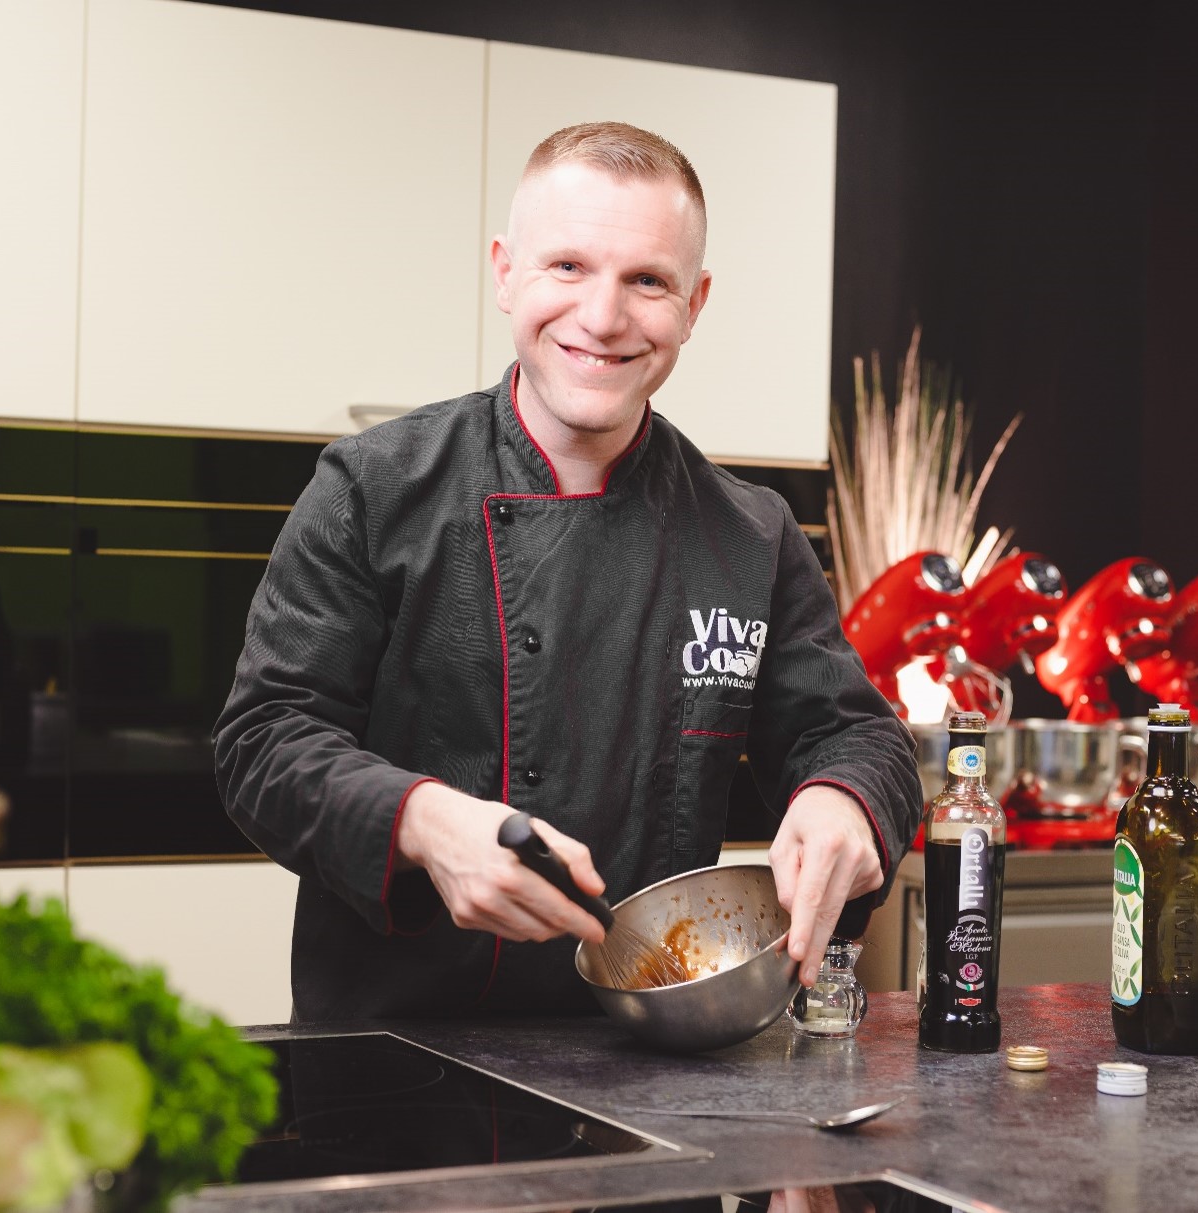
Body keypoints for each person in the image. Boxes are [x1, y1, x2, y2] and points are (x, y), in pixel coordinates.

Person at [215, 121, 921, 1021]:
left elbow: (859, 736)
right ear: (505, 270)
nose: (602, 317)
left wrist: (843, 801)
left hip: (651, 1069)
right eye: (568, 268)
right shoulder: (372, 486)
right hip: (398, 1061)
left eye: (648, 281)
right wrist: (425, 823)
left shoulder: (750, 532)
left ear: (696, 303)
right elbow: (264, 742)